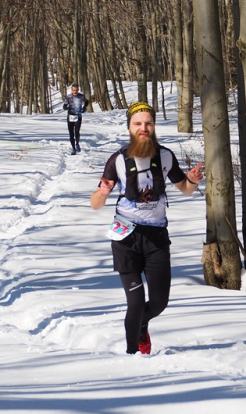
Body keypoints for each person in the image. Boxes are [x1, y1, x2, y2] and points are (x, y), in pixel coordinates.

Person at [90, 101, 204, 355]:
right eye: (138, 124)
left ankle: (141, 326)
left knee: (160, 302)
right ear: (129, 128)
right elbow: (95, 204)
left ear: (154, 126)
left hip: (156, 237)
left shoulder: (165, 156)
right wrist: (102, 193)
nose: (143, 128)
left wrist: (192, 180)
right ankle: (132, 354)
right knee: (136, 302)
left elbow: (184, 188)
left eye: (148, 123)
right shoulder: (118, 160)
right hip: (126, 237)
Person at [63, 83, 89, 155]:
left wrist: (84, 107)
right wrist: (68, 107)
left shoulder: (81, 96)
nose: (75, 91)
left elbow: (86, 101)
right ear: (72, 90)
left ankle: (77, 143)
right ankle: (73, 148)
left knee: (77, 132)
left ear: (78, 89)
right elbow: (64, 106)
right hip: (70, 116)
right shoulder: (69, 97)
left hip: (78, 116)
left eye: (76, 90)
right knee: (71, 133)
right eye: (74, 90)